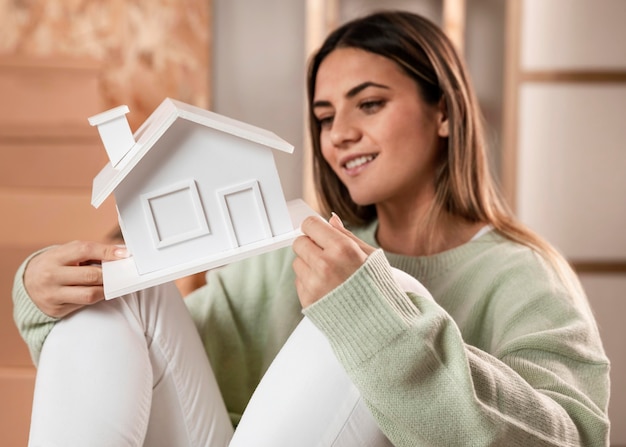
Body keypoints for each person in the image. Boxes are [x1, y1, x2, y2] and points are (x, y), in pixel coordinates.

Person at [13, 10, 610, 447]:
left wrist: (372, 317)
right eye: (325, 116)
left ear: (445, 113)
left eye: (369, 104)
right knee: (125, 295)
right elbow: (143, 363)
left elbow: (571, 437)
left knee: (363, 306)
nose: (338, 133)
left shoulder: (523, 276)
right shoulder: (292, 249)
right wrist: (45, 291)